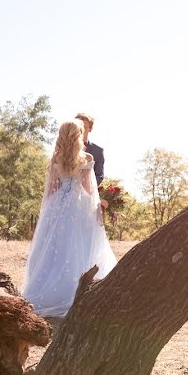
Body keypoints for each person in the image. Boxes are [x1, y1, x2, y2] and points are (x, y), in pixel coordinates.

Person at [22, 119, 117, 317]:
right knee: (78, 247)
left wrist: (49, 213)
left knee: (53, 248)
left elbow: (52, 189)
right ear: (78, 135)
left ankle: (47, 291)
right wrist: (98, 207)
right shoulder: (86, 158)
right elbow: (88, 188)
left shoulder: (55, 159)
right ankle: (78, 290)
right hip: (77, 207)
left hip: (56, 206)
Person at [75, 113, 104, 186]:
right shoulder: (64, 148)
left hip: (86, 193)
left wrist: (87, 188)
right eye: (78, 126)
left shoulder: (98, 151)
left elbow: (99, 175)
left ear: (90, 129)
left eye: (84, 126)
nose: (80, 129)